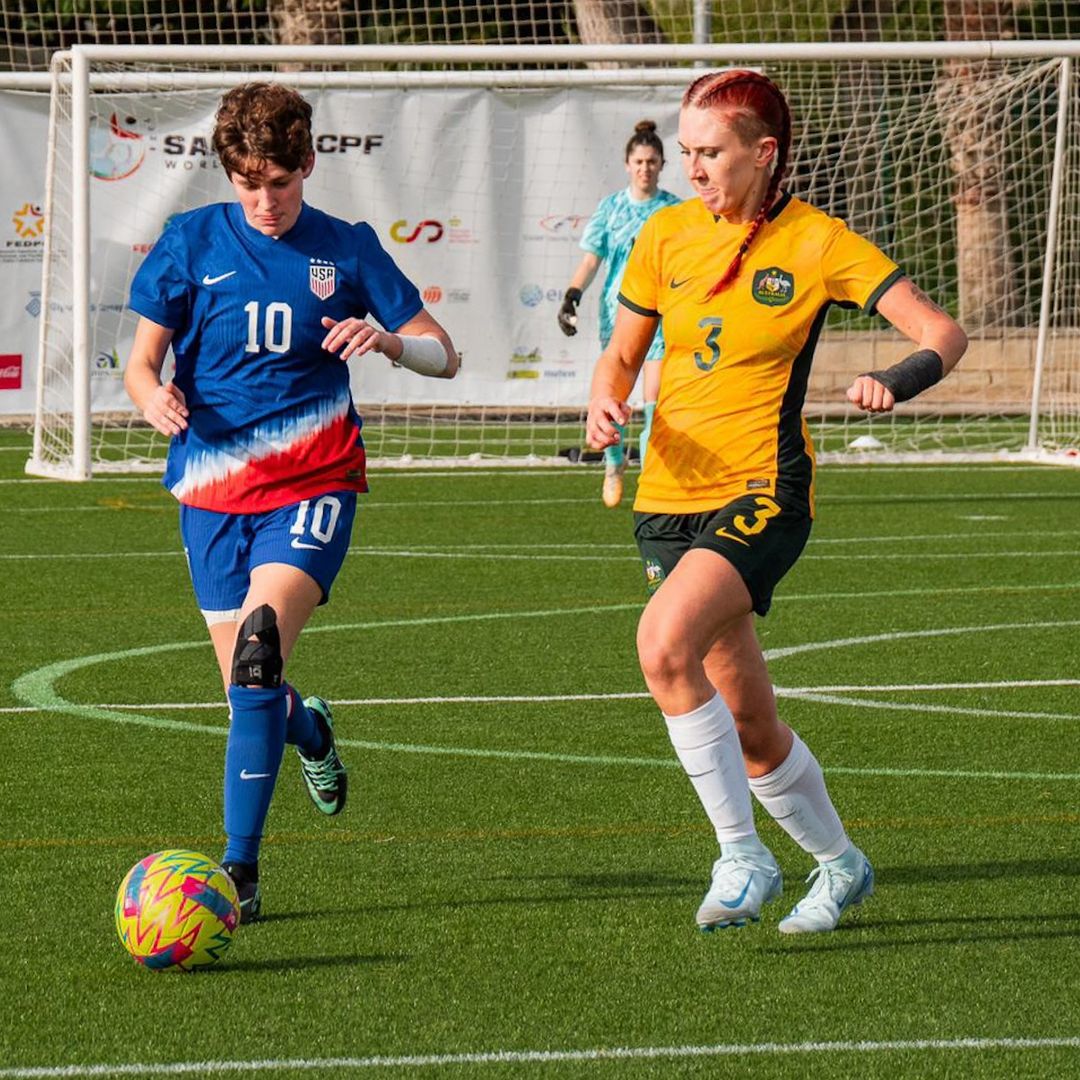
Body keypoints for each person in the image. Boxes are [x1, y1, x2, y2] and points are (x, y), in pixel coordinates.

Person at [586, 69, 966, 933]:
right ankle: (839, 865)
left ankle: (741, 853)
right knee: (751, 722)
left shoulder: (819, 242)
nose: (694, 169)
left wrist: (896, 379)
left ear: (765, 153)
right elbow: (620, 354)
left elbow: (944, 332)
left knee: (661, 643)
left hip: (764, 487)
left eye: (711, 153)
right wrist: (604, 399)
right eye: (686, 153)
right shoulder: (665, 235)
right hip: (666, 496)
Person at [123, 82, 459, 923]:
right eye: (248, 184)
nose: (265, 201)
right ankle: (311, 733)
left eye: (279, 181)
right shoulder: (188, 241)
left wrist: (386, 340)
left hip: (314, 482)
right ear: (228, 175)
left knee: (259, 654)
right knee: (253, 694)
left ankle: (240, 870)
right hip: (209, 491)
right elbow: (138, 363)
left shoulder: (345, 249)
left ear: (308, 164)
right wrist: (149, 397)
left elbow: (444, 355)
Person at [558, 120, 680, 509]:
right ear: (628, 164)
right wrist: (572, 295)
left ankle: (650, 476)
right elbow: (592, 260)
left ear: (662, 165)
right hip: (619, 312)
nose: (645, 167)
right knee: (614, 396)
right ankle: (613, 467)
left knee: (654, 399)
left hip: (662, 313)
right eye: (639, 160)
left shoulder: (674, 211)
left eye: (652, 161)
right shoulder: (610, 207)